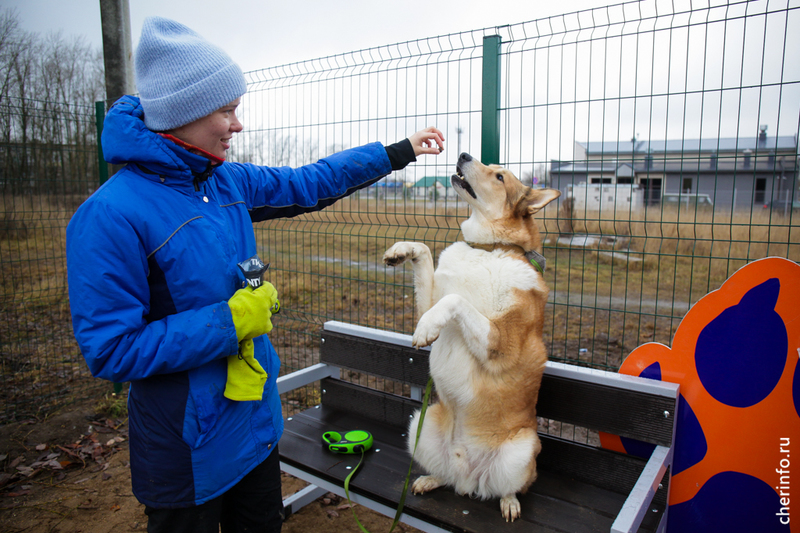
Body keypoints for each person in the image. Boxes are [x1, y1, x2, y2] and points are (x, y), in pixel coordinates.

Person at [66, 16, 444, 533]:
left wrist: (397, 151)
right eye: (227, 110)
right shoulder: (110, 215)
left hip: (255, 430)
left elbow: (309, 182)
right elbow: (111, 349)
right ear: (183, 113)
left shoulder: (224, 182)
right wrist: (230, 320)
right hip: (186, 456)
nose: (237, 125)